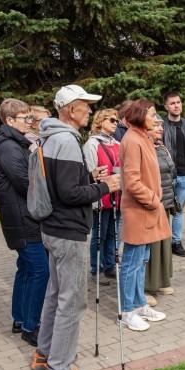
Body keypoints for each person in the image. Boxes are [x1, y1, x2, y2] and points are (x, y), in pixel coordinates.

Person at [31, 85, 120, 370]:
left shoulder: (49, 137)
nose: (91, 111)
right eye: (86, 105)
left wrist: (88, 177)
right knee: (73, 301)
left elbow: (60, 185)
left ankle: (44, 355)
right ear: (70, 109)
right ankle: (59, 369)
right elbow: (69, 194)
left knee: (55, 294)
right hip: (68, 230)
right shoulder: (67, 140)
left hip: (51, 228)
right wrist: (106, 186)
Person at [0, 98, 50, 347]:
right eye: (26, 118)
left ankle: (19, 319)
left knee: (26, 270)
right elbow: (27, 183)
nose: (31, 122)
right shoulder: (9, 147)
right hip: (22, 219)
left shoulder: (20, 142)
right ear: (9, 121)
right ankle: (31, 326)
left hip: (25, 217)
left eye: (30, 117)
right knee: (40, 271)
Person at [118, 99, 171, 332]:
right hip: (139, 210)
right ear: (140, 116)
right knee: (131, 263)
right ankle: (126, 311)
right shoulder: (132, 140)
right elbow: (131, 181)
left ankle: (139, 305)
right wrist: (152, 200)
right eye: (151, 114)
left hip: (148, 210)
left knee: (141, 261)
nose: (155, 118)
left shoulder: (144, 138)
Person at [82, 108, 120, 286]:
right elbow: (90, 172)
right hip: (101, 195)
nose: (116, 123)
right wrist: (94, 199)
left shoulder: (117, 144)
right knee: (100, 235)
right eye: (112, 120)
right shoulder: (92, 144)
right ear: (100, 121)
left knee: (113, 233)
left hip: (116, 196)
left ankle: (110, 266)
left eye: (117, 120)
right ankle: (96, 269)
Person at [161, 92, 185, 257]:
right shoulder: (160, 126)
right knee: (162, 211)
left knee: (178, 211)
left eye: (178, 102)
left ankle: (176, 243)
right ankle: (161, 244)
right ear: (166, 107)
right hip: (166, 176)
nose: (176, 106)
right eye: (172, 103)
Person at [145, 116, 176, 302]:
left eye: (161, 125)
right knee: (152, 246)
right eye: (156, 125)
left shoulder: (161, 147)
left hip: (165, 201)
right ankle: (146, 286)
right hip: (152, 202)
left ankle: (161, 281)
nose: (160, 128)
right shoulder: (144, 147)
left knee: (164, 243)